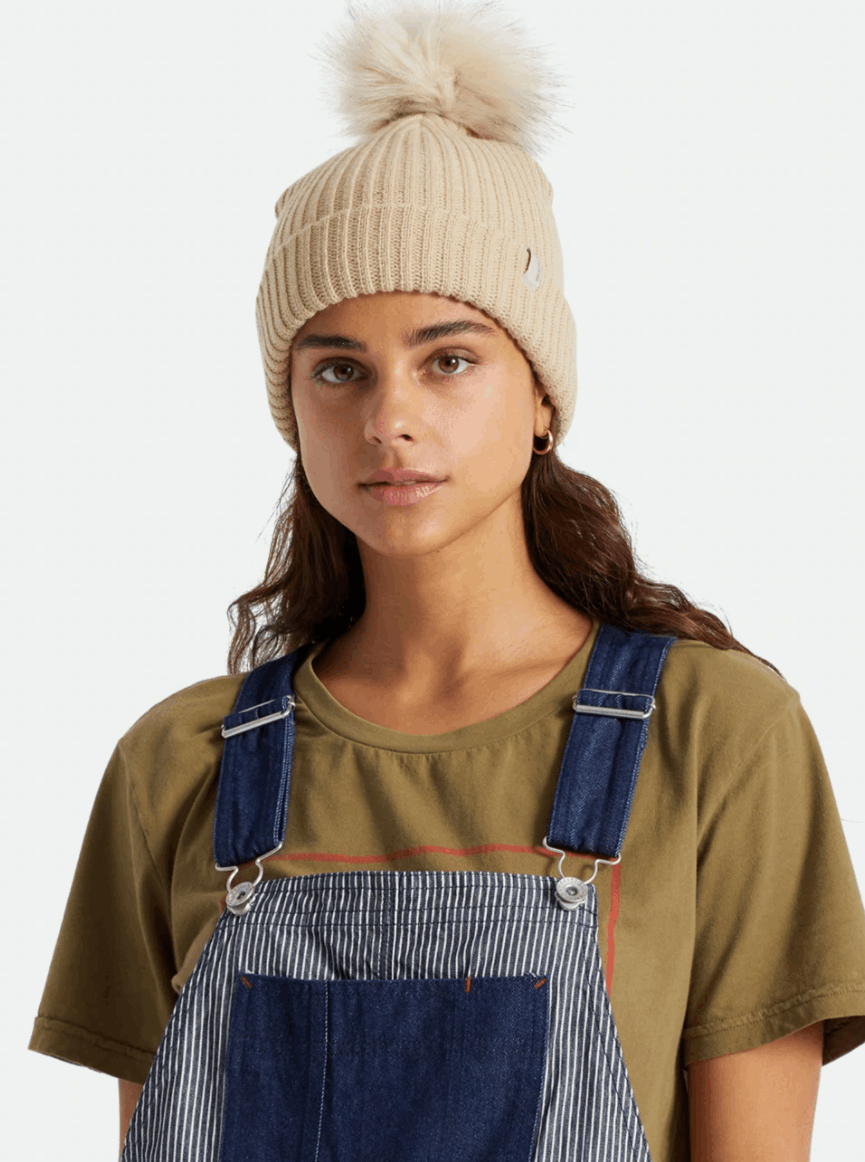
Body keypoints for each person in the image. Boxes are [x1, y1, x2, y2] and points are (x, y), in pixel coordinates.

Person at [29, 3, 865, 1159]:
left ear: (540, 395)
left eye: (449, 358)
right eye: (339, 370)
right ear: (292, 410)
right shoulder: (178, 764)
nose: (390, 418)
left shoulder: (714, 736)